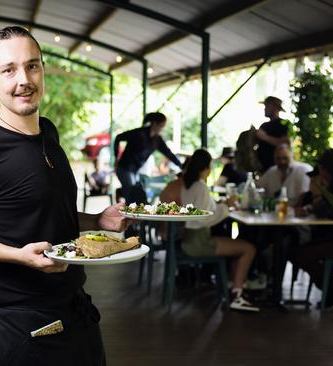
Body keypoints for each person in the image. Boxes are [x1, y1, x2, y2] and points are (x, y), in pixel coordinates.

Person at [0, 26, 129, 366]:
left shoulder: (47, 133)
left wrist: (97, 221)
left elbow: (45, 211)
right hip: (22, 321)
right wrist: (18, 256)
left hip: (75, 308)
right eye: (9, 69)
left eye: (32, 66)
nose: (23, 79)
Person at [180, 149, 259, 312]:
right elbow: (203, 219)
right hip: (199, 242)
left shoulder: (188, 185)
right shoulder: (200, 187)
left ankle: (234, 285)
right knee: (248, 249)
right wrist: (226, 206)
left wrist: (222, 205)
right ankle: (237, 294)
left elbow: (201, 212)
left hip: (188, 239)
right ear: (206, 168)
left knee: (240, 245)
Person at [292, 148, 333, 308]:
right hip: (329, 238)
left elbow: (327, 211)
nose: (320, 172)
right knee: (295, 250)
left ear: (329, 169)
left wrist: (316, 194)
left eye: (322, 168)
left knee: (301, 254)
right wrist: (309, 205)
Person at [113, 112, 183, 202]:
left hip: (135, 171)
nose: (162, 129)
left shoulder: (157, 140)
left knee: (137, 193)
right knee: (132, 195)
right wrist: (116, 157)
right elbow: (118, 137)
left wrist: (181, 165)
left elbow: (168, 153)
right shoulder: (138, 133)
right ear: (154, 123)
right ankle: (125, 207)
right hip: (124, 168)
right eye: (161, 126)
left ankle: (121, 192)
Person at [256, 96, 291, 174]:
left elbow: (285, 144)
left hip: (277, 168)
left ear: (275, 107)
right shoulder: (264, 125)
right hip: (263, 169)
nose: (265, 109)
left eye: (267, 106)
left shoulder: (284, 124)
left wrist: (264, 137)